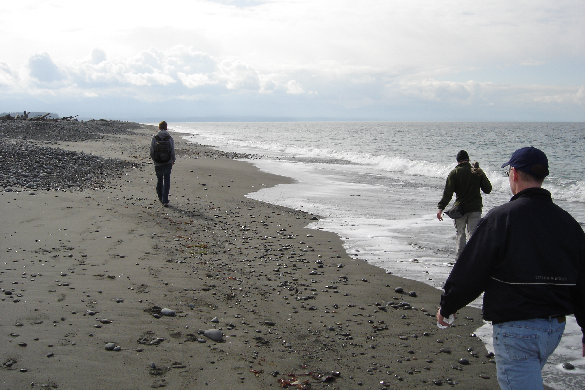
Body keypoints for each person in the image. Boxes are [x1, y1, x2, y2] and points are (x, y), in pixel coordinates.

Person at [436, 146, 585, 390]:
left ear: (513, 174)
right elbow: (582, 278)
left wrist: (448, 305)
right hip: (555, 328)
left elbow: (473, 268)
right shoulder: (568, 223)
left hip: (517, 327)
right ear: (542, 177)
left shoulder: (502, 218)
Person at [437, 150, 492, 258]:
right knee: (473, 235)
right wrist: (481, 174)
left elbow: (448, 193)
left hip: (460, 209)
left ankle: (460, 261)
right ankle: (473, 260)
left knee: (460, 234)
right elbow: (488, 189)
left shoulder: (454, 173)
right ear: (468, 160)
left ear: (458, 161)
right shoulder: (476, 171)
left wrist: (440, 208)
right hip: (475, 209)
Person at [150, 121, 175, 206]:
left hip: (158, 163)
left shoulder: (155, 138)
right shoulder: (169, 138)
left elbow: (152, 151)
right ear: (166, 127)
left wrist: (155, 160)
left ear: (159, 127)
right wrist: (173, 160)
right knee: (167, 180)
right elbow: (172, 150)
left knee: (159, 180)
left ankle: (160, 198)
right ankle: (165, 200)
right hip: (168, 162)